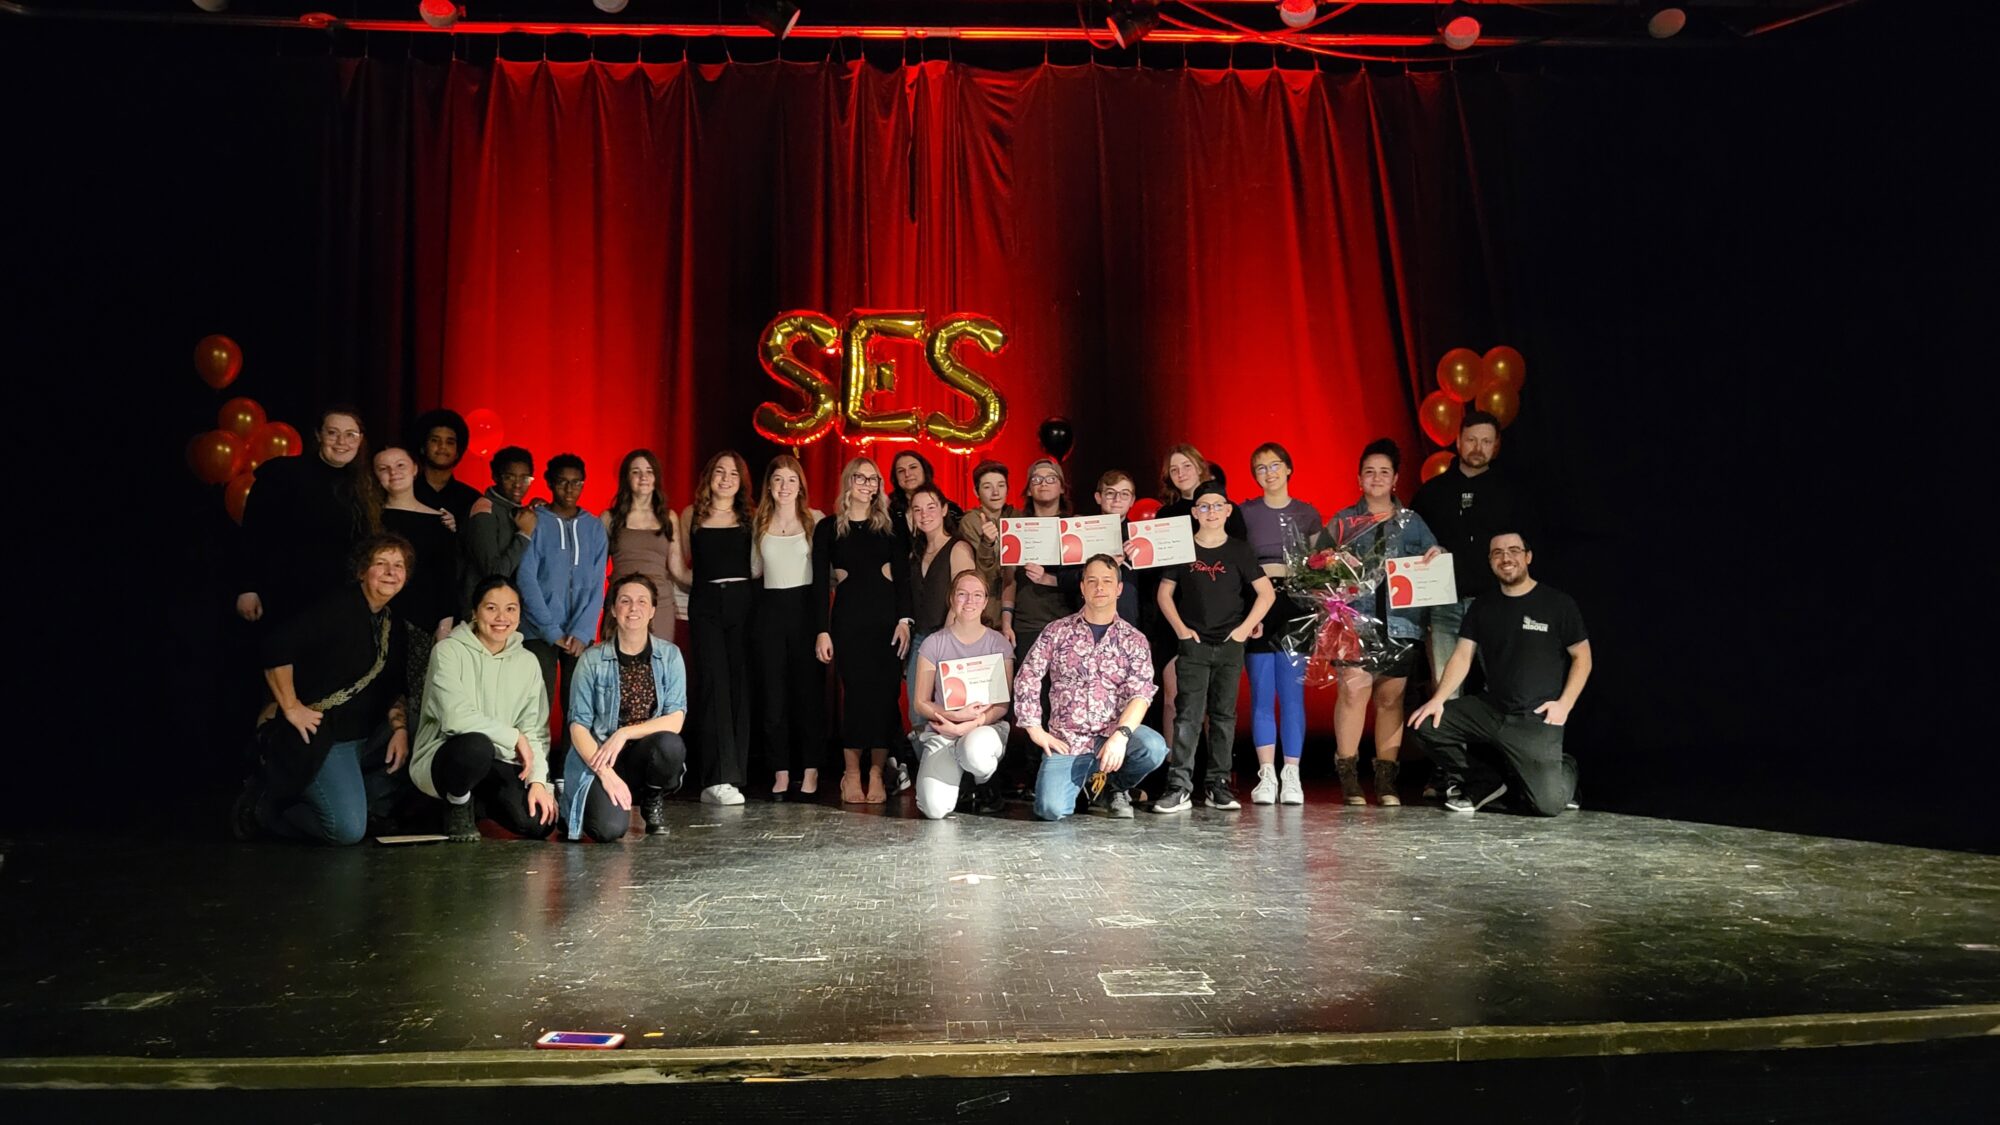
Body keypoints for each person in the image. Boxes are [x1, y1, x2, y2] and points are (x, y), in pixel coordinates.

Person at [234, 534, 413, 846]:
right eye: (381, 563)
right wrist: (291, 707)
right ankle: (265, 809)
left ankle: (368, 805)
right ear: (362, 571)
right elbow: (275, 647)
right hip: (326, 735)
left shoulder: (392, 622)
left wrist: (399, 729)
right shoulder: (338, 608)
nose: (390, 572)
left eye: (398, 565)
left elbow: (395, 685)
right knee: (346, 831)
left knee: (423, 730)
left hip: (364, 732)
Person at [1408, 532, 1590, 816]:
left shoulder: (1557, 604)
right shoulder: (1483, 606)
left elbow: (1583, 658)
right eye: (1497, 553)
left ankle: (1565, 767)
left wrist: (1564, 704)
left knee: (1547, 805)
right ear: (1490, 561)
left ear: (1528, 557)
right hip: (1491, 710)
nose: (1506, 558)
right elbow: (1462, 655)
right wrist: (1438, 699)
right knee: (1425, 724)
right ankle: (1484, 780)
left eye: (1514, 551)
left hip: (1535, 717)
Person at [1321, 439, 1442, 806]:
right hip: (1353, 623)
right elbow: (1317, 568)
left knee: (1391, 699)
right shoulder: (1343, 520)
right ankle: (1349, 776)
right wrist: (1330, 563)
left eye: (1384, 472)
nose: (1376, 478)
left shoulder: (1413, 523)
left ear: (1395, 479)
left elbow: (1434, 559)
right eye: (1369, 472)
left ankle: (1386, 779)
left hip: (1401, 624)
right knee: (1353, 693)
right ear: (1359, 478)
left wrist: (1437, 555)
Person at [1014, 555, 1168, 821]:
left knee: (1153, 747)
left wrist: (1121, 736)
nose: (1099, 587)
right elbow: (1028, 675)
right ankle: (1084, 786)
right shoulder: (1057, 631)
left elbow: (1141, 695)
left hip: (1112, 736)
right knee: (1050, 810)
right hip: (1068, 741)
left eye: (1107, 581)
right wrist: (1034, 729)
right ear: (1082, 587)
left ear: (1119, 589)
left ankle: (1112, 787)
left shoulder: (1134, 640)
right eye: (1092, 581)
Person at [1152, 481, 1276, 813]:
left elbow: (1266, 593)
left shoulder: (1239, 550)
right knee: (1187, 716)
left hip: (1230, 646)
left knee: (1223, 716)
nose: (1211, 512)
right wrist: (1181, 630)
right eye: (1204, 506)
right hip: (1193, 646)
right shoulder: (1183, 548)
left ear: (1228, 510)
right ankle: (1179, 785)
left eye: (1217, 505)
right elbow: (1164, 593)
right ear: (1194, 512)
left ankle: (1218, 784)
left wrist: (1243, 630)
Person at [410, 576, 557, 841]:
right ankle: (458, 802)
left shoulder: (528, 662)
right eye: (491, 608)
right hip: (449, 756)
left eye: (510, 609)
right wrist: (514, 737)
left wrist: (538, 781)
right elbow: (454, 718)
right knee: (476, 747)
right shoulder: (448, 651)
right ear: (475, 613)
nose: (502, 617)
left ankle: (477, 803)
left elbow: (534, 730)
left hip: (499, 760)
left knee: (538, 824)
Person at [1411, 411, 1538, 696]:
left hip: (1497, 602)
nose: (1478, 448)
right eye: (1471, 440)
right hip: (1444, 605)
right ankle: (1450, 729)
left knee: (1505, 687)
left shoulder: (1513, 493)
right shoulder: (1431, 493)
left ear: (1496, 445)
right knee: (1445, 692)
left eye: (1486, 441)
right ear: (1458, 441)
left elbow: (1528, 551)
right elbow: (1410, 549)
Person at [559, 574, 689, 841]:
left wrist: (624, 733)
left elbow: (675, 719)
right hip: (601, 757)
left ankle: (652, 797)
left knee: (670, 745)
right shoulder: (592, 659)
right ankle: (574, 805)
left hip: (641, 756)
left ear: (652, 610)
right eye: (625, 601)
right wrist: (606, 774)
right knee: (608, 830)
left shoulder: (670, 656)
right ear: (613, 609)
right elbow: (578, 726)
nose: (633, 608)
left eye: (642, 601)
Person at [814, 456, 912, 805]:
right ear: (848, 481)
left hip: (886, 622)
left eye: (873, 479)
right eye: (861, 477)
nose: (867, 484)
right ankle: (852, 773)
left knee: (885, 697)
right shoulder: (828, 527)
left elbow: (903, 577)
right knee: (855, 697)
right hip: (848, 621)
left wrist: (905, 621)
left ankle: (877, 773)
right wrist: (822, 630)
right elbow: (818, 583)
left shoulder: (891, 525)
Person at [1230, 442, 1323, 806]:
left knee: (1292, 693)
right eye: (1260, 468)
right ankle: (1266, 774)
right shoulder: (1245, 512)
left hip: (1296, 605)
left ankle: (1292, 775)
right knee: (1262, 691)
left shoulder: (1307, 513)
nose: (1268, 473)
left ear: (1288, 469)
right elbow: (1236, 559)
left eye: (1274, 465)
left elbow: (1321, 564)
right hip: (1258, 603)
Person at [235, 406, 381, 628]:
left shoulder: (364, 485)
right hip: (284, 595)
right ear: (318, 435)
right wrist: (247, 588)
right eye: (332, 433)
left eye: (350, 434)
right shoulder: (283, 473)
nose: (341, 441)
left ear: (360, 440)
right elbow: (254, 533)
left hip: (338, 600)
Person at [675, 450, 759, 805]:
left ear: (742, 482)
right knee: (713, 686)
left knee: (739, 686)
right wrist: (706, 586)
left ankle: (736, 775)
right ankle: (714, 779)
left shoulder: (751, 516)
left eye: (733, 474)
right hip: (706, 603)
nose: (726, 479)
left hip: (743, 602)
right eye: (720, 472)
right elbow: (679, 567)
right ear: (709, 476)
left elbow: (758, 566)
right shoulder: (691, 515)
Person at [518, 453, 608, 774]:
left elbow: (597, 582)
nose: (570, 489)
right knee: (537, 702)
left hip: (578, 634)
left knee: (577, 705)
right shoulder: (535, 521)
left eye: (576, 483)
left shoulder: (594, 527)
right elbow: (526, 578)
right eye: (562, 482)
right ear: (549, 483)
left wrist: (583, 631)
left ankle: (567, 774)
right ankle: (536, 772)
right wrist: (551, 631)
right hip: (539, 631)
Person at [910, 571, 1014, 819]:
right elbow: (921, 703)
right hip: (944, 730)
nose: (970, 601)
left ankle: (981, 779)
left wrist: (968, 725)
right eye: (962, 594)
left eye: (977, 595)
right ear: (951, 599)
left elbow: (1002, 704)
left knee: (975, 752)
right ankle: (960, 775)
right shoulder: (934, 643)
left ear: (986, 601)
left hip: (984, 728)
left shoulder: (998, 643)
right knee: (934, 809)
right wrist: (953, 717)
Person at [752, 454, 824, 800]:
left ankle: (810, 770)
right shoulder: (759, 523)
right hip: (769, 613)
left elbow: (825, 575)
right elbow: (753, 570)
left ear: (801, 486)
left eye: (791, 479)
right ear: (769, 485)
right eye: (778, 479)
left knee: (808, 695)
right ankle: (780, 771)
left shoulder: (815, 520)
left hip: (805, 612)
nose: (784, 486)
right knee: (774, 696)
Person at [373, 445, 459, 709]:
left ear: (414, 469)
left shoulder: (439, 521)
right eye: (384, 468)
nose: (393, 473)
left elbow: (447, 581)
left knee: (419, 705)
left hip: (422, 625)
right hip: (373, 622)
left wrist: (444, 630)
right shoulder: (368, 519)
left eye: (400, 465)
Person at [906, 484, 978, 726]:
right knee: (918, 713)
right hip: (920, 639)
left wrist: (945, 641)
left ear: (944, 509)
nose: (924, 514)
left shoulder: (958, 548)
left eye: (931, 507)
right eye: (917, 509)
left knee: (950, 711)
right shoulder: (916, 552)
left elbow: (964, 599)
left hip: (951, 639)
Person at [601, 449, 679, 646]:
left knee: (658, 660)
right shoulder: (609, 518)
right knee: (617, 660)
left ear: (656, 477)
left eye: (649, 471)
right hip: (621, 603)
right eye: (636, 472)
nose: (643, 477)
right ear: (626, 478)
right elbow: (596, 569)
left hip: (659, 604)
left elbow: (678, 569)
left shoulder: (669, 518)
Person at [462, 446, 536, 613]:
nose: (518, 485)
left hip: (506, 610)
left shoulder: (516, 510)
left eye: (525, 478)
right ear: (495, 476)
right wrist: (524, 534)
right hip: (481, 612)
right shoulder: (484, 510)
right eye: (509, 477)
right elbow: (494, 574)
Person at [956, 459, 1016, 629]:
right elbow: (984, 571)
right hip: (988, 606)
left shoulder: (1018, 517)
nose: (996, 492)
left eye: (1001, 486)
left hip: (1019, 604)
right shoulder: (971, 521)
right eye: (987, 487)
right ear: (976, 491)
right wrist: (987, 543)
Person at [407, 408, 481, 526]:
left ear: (457, 452)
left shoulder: (472, 499)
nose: (442, 446)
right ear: (422, 447)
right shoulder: (404, 491)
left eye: (450, 442)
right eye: (435, 440)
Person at [887, 450, 965, 544]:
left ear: (925, 470)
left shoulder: (952, 510)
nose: (907, 474)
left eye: (913, 467)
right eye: (900, 471)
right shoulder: (888, 512)